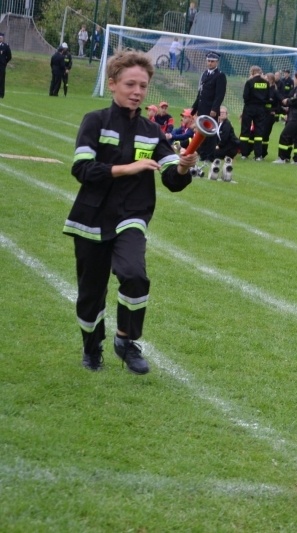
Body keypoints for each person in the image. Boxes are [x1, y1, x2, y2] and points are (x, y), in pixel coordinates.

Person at [62, 49, 197, 374]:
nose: (137, 92)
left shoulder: (152, 132)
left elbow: (171, 179)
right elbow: (82, 169)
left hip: (132, 215)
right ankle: (91, 348)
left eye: (143, 86)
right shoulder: (95, 121)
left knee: (135, 276)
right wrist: (127, 168)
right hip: (91, 219)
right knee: (90, 296)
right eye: (130, 84)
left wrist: (182, 168)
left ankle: (126, 339)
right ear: (112, 84)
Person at [191, 51, 227, 162]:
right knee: (201, 132)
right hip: (202, 107)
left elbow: (220, 94)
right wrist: (194, 108)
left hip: (211, 109)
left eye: (212, 61)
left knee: (210, 133)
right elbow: (200, 93)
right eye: (209, 61)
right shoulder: (204, 74)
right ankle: (202, 153)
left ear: (216, 62)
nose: (210, 63)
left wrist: (214, 109)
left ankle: (209, 156)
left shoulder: (220, 75)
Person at [274, 71, 297, 164]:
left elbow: (296, 99)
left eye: (294, 78)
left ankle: (282, 157)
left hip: (296, 117)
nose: (293, 80)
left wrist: (287, 101)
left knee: (284, 135)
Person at [239, 66, 270, 160]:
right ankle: (258, 155)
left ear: (252, 72)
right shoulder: (266, 83)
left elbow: (245, 96)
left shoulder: (249, 82)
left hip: (249, 108)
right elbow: (268, 97)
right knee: (259, 132)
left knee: (245, 130)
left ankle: (244, 154)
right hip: (261, 109)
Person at [0, 32, 10, 98]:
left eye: (1, 38)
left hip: (2, 65)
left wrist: (5, 62)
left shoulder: (5, 46)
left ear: (3, 39)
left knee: (1, 79)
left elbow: (9, 56)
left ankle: (1, 94)